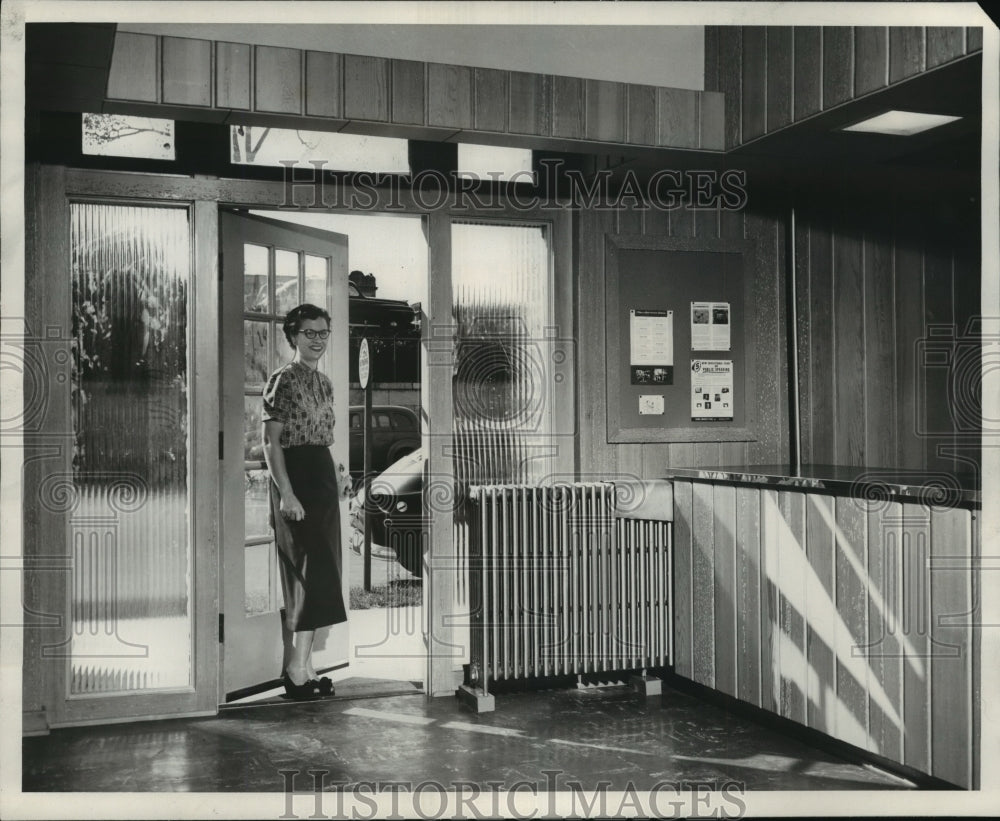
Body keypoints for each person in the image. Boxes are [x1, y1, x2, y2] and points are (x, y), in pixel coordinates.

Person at [262, 303, 349, 699]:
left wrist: (340, 474)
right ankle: (296, 672)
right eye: (309, 333)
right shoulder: (282, 380)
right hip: (296, 481)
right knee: (307, 575)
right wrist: (287, 493)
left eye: (323, 332)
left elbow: (323, 437)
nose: (317, 339)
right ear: (293, 337)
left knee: (323, 574)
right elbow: (271, 443)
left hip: (322, 478)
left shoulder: (324, 383)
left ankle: (307, 667)